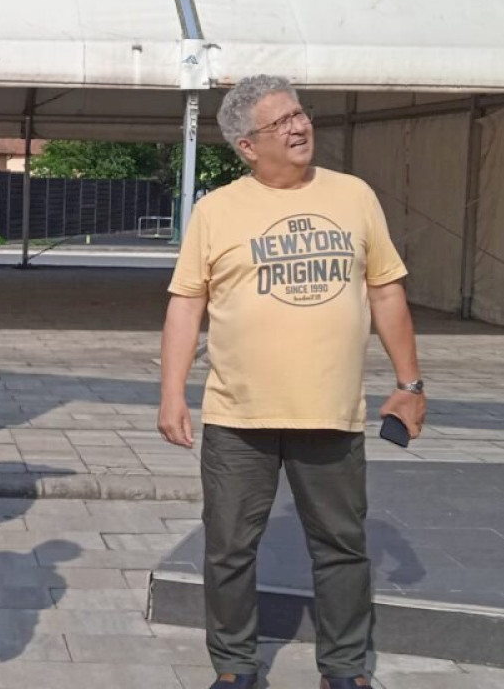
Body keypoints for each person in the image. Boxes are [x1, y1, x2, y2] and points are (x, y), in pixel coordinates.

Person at [156, 74, 426, 689]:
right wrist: (172, 393)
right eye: (280, 122)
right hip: (238, 416)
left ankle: (344, 670)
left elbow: (386, 291)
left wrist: (410, 384)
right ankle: (234, 668)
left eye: (300, 114)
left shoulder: (354, 195)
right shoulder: (216, 210)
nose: (299, 126)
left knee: (342, 546)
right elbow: (186, 304)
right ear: (248, 146)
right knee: (229, 549)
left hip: (330, 411)